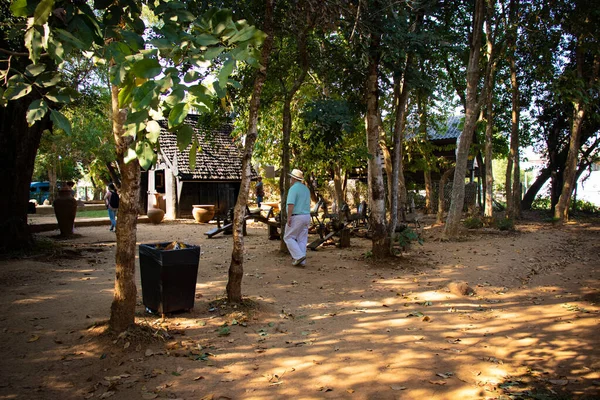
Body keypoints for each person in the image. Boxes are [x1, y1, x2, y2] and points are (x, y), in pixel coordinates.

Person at [284, 169, 311, 267]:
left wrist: (288, 217)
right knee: (302, 239)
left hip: (297, 216)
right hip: (306, 215)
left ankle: (299, 256)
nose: (290, 179)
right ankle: (301, 260)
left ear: (293, 178)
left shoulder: (293, 189)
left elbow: (291, 204)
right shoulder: (306, 189)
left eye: (291, 177)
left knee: (288, 237)